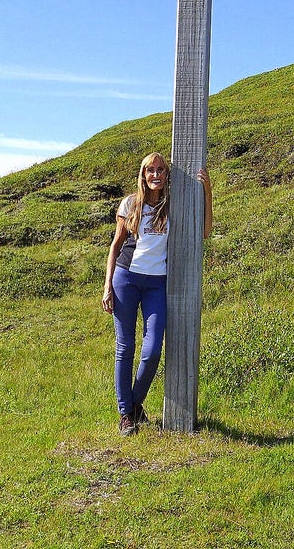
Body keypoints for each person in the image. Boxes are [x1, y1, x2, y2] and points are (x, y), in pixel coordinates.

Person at [101, 151, 213, 435]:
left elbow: (205, 231)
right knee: (125, 348)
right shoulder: (130, 204)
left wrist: (207, 191)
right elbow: (115, 246)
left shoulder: (172, 206)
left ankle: (135, 404)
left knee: (152, 351)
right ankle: (126, 415)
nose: (155, 175)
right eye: (150, 171)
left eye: (161, 170)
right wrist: (107, 286)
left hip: (156, 283)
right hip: (125, 279)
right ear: (143, 175)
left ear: (167, 175)